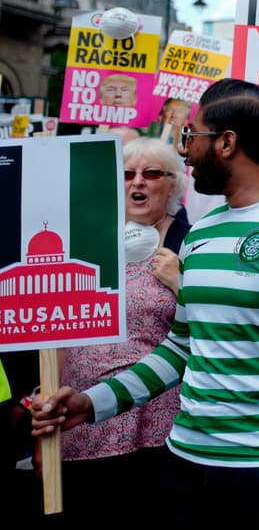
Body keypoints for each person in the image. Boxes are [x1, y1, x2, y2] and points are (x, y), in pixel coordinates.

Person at [32, 78, 259, 530]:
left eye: (191, 135)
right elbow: (181, 348)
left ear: (227, 143)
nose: (184, 150)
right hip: (183, 463)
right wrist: (91, 404)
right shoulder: (203, 233)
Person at [46, 139, 190, 528]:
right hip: (83, 419)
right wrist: (46, 427)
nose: (137, 182)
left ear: (172, 184)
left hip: (156, 429)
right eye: (126, 174)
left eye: (151, 173)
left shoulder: (189, 243)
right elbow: (61, 332)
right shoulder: (89, 240)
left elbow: (211, 326)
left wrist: (181, 284)